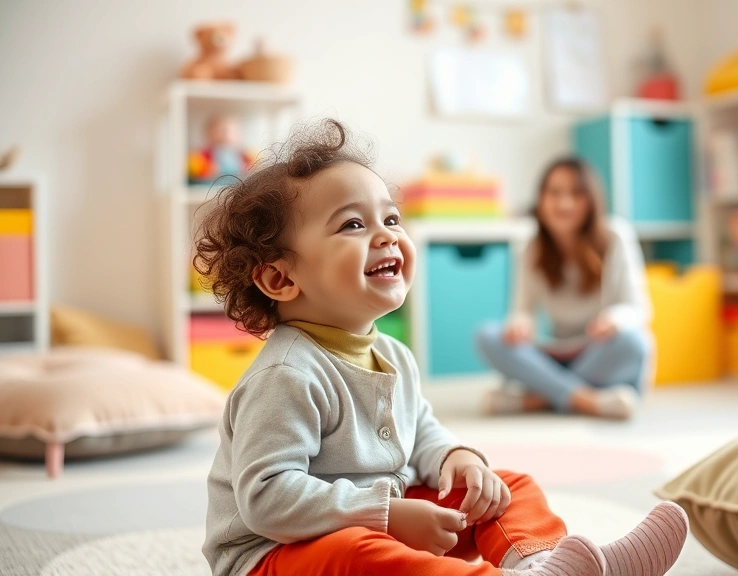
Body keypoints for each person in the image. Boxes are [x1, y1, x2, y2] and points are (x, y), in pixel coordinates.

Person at [195, 120, 688, 576]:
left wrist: (457, 459)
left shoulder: (393, 356)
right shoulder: (286, 374)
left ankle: (541, 564)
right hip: (277, 555)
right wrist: (386, 516)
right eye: (352, 225)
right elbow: (266, 497)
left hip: (385, 515)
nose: (387, 236)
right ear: (281, 277)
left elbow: (421, 432)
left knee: (504, 486)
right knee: (361, 552)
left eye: (391, 218)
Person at [477, 158, 651, 419]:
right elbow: (521, 311)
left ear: (590, 201)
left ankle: (537, 399)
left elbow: (638, 309)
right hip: (557, 353)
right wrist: (519, 323)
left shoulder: (616, 236)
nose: (564, 203)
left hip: (600, 351)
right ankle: (586, 399)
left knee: (635, 341)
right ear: (541, 199)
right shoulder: (530, 248)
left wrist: (615, 319)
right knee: (488, 335)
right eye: (554, 193)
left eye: (576, 194)